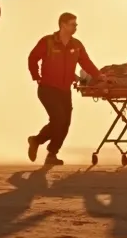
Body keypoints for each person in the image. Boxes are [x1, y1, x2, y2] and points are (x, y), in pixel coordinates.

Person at [27, 12, 101, 166]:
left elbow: (86, 63)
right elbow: (32, 57)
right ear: (63, 25)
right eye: (73, 24)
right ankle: (39, 142)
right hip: (47, 89)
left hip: (65, 91)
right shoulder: (48, 41)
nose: (76, 27)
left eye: (76, 24)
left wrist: (100, 77)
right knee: (58, 119)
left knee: (65, 123)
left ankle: (49, 152)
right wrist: (37, 76)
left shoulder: (77, 45)